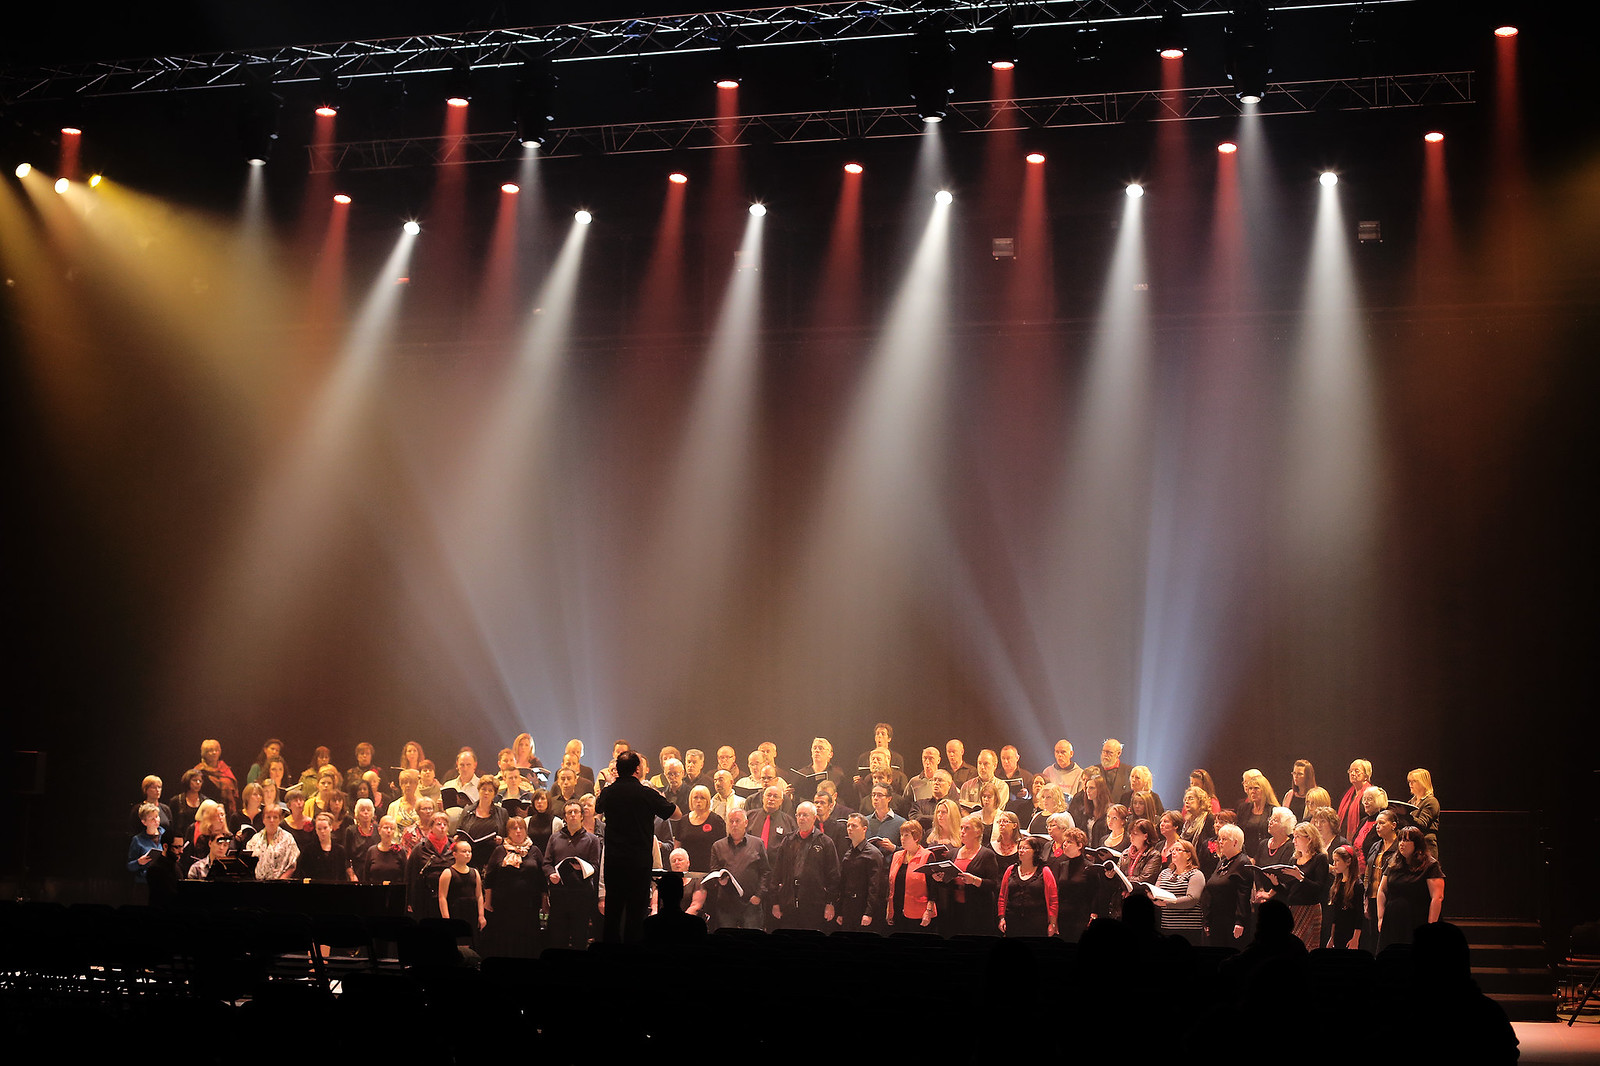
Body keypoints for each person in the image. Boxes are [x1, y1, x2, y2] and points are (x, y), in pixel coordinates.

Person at [593, 749, 677, 944]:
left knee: (613, 916)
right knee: (635, 915)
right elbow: (676, 813)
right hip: (638, 864)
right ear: (638, 770)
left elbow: (598, 807)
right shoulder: (646, 793)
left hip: (614, 863)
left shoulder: (609, 792)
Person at [767, 801, 839, 931]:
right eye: (799, 815)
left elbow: (834, 876)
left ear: (814, 817)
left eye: (805, 815)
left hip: (814, 904)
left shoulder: (825, 842)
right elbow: (777, 873)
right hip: (788, 903)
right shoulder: (788, 840)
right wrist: (775, 902)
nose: (801, 818)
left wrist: (830, 903)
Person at [930, 813, 1002, 936]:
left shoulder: (986, 855)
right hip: (954, 909)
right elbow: (949, 882)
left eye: (967, 828)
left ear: (978, 832)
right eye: (961, 828)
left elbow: (994, 885)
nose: (962, 831)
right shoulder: (952, 853)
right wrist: (941, 879)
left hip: (977, 911)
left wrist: (974, 880)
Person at [544, 800, 602, 949]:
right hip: (559, 895)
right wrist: (551, 874)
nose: (573, 815)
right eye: (569, 812)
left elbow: (596, 866)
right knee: (557, 938)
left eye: (576, 812)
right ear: (565, 817)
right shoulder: (555, 838)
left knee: (579, 938)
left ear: (582, 816)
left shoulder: (592, 839)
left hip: (581, 896)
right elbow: (546, 863)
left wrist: (582, 867)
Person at [1377, 825, 1445, 950]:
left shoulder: (1429, 865)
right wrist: (1381, 917)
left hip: (1417, 921)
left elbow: (1437, 897)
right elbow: (1382, 891)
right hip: (1393, 921)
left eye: (1407, 840)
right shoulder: (1393, 863)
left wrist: (1431, 927)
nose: (1402, 844)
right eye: (1400, 840)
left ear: (1417, 844)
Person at [706, 806, 769, 930]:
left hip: (751, 903)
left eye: (737, 821)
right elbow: (713, 871)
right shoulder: (718, 846)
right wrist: (718, 880)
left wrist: (759, 895)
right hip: (726, 904)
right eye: (731, 821)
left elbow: (765, 872)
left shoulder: (757, 844)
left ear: (746, 823)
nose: (734, 824)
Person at [1202, 823, 1254, 947]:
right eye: (1219, 839)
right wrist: (1207, 920)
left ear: (1235, 842)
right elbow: (1211, 889)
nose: (1220, 842)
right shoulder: (1222, 862)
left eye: (1224, 839)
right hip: (1217, 919)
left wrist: (1240, 921)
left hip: (1231, 921)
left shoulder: (1243, 862)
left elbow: (1243, 894)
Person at [1282, 822, 1331, 948]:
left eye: (1297, 837)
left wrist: (1301, 878)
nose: (1294, 841)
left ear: (1309, 838)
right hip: (1292, 909)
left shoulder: (1320, 858)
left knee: (1307, 947)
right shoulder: (1294, 860)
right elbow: (1288, 889)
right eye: (1293, 837)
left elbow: (1319, 887)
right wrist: (1275, 883)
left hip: (1309, 909)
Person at [998, 835, 1057, 937]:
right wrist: (1002, 917)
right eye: (1019, 848)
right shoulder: (1011, 870)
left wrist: (1053, 923)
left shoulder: (1044, 871)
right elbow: (1002, 897)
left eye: (1025, 848)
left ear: (1035, 851)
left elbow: (1053, 900)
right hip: (1013, 921)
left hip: (1037, 923)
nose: (1021, 851)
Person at [836, 812, 885, 930]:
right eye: (848, 825)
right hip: (848, 906)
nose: (849, 829)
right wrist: (840, 910)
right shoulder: (848, 853)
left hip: (863, 907)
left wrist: (869, 912)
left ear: (864, 829)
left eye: (854, 826)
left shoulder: (873, 854)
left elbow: (875, 886)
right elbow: (843, 884)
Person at [1151, 839, 1206, 943]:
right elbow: (1157, 892)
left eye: (1178, 849)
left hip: (1188, 928)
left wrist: (1167, 903)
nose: (1173, 852)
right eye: (1172, 850)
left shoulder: (1195, 874)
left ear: (1188, 855)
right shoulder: (1165, 873)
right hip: (1166, 926)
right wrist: (1151, 895)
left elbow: (1192, 899)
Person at [884, 819, 934, 931]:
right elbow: (891, 885)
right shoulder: (897, 856)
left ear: (916, 837)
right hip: (897, 909)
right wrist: (889, 909)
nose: (902, 838)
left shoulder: (927, 856)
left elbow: (932, 887)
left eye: (906, 835)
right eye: (901, 835)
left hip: (918, 914)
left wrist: (929, 911)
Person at [1362, 808, 1401, 949]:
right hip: (1373, 898)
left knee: (1389, 937)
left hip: (1390, 899)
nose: (1378, 826)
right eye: (1376, 823)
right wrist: (1366, 897)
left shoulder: (1399, 847)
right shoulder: (1375, 846)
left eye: (1382, 823)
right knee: (1374, 938)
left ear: (1393, 825)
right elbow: (1368, 872)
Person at [407, 811, 456, 919]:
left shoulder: (454, 847)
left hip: (449, 899)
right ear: (431, 827)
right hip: (425, 899)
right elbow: (411, 876)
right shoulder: (420, 849)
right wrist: (409, 901)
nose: (442, 827)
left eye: (445, 824)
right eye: (438, 824)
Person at [1050, 825, 1095, 941]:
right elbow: (1058, 892)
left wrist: (1092, 914)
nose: (1064, 844)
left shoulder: (1089, 867)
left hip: (1081, 917)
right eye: (1064, 841)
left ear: (1079, 846)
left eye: (1069, 842)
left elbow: (1094, 894)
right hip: (1063, 916)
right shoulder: (1062, 865)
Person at [438, 839, 486, 945]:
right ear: (455, 854)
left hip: (472, 912)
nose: (467, 854)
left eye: (469, 851)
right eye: (464, 851)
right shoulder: (448, 873)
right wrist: (446, 919)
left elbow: (479, 895)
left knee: (472, 942)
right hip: (456, 912)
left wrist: (481, 915)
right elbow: (442, 897)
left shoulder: (475, 872)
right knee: (458, 942)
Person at [673, 785, 726, 872]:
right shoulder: (683, 820)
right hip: (687, 870)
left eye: (702, 798)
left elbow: (722, 848)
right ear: (691, 800)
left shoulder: (716, 820)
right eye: (695, 797)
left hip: (709, 869)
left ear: (708, 800)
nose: (698, 801)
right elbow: (677, 847)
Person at [1324, 844, 1364, 950]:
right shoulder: (1337, 883)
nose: (1334, 864)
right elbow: (1336, 914)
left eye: (1337, 861)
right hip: (1338, 931)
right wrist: (1332, 937)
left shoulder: (1357, 885)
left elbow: (1359, 914)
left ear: (1348, 862)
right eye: (1333, 861)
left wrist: (1355, 938)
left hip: (1351, 931)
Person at [246, 805, 299, 881]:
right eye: (268, 817)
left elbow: (292, 866)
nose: (271, 820)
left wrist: (280, 882)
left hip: (279, 883)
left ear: (280, 820)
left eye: (275, 817)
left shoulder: (288, 838)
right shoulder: (255, 839)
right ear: (263, 819)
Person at [299, 812, 355, 882]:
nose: (322, 831)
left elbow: (342, 876)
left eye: (325, 828)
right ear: (316, 830)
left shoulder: (340, 850)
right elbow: (304, 874)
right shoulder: (308, 850)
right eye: (319, 829)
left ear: (331, 827)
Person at [1238, 770, 1279, 857]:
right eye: (1250, 788)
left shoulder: (1273, 811)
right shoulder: (1243, 808)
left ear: (1264, 790)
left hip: (1266, 855)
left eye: (1256, 788)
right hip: (1245, 855)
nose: (1252, 791)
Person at [359, 816, 407, 884]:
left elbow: (405, 877)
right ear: (379, 830)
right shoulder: (371, 851)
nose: (389, 831)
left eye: (392, 828)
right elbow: (366, 878)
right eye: (386, 828)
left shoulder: (400, 851)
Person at [1335, 759, 1373, 840]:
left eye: (1356, 771)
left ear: (1366, 775)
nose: (1352, 774)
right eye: (1350, 771)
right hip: (1343, 837)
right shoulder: (1347, 793)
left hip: (1363, 837)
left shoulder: (1371, 793)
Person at [1408, 768, 1441, 857]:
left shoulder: (1431, 802)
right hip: (1412, 845)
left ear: (1423, 783)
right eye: (1409, 781)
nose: (1410, 784)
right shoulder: (1411, 802)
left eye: (1414, 781)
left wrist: (1406, 815)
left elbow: (1422, 824)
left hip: (1426, 847)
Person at [1097, 739, 1130, 804]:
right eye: (1104, 751)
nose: (1105, 755)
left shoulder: (1129, 772)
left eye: (1109, 752)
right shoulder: (1094, 770)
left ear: (1118, 753)